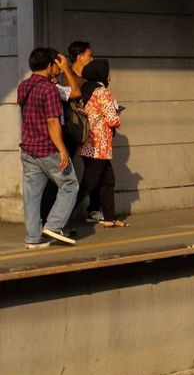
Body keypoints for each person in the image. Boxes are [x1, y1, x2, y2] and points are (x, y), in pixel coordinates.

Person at [18, 48, 80, 248]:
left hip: (28, 148)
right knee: (70, 184)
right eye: (54, 64)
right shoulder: (49, 89)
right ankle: (54, 225)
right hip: (47, 148)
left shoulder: (23, 86)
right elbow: (53, 122)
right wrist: (62, 149)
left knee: (32, 195)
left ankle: (33, 238)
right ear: (48, 66)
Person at [77, 60, 127, 227]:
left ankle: (109, 218)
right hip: (99, 146)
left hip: (88, 144)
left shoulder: (86, 90)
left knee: (107, 181)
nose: (110, 74)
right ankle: (56, 219)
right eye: (108, 71)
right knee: (88, 184)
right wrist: (117, 114)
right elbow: (112, 120)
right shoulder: (103, 92)